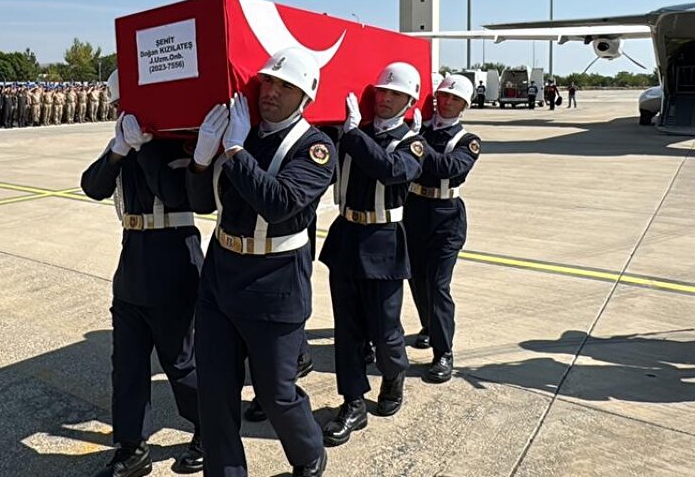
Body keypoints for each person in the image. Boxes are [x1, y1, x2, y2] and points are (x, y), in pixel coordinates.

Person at [187, 47, 334, 477]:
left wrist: (234, 150)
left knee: (276, 394)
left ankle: (309, 453)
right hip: (221, 274)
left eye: (285, 86)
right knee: (214, 391)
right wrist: (200, 161)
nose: (271, 91)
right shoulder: (242, 131)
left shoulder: (314, 146)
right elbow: (202, 204)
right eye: (268, 81)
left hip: (274, 282)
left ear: (305, 95)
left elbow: (281, 203)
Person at [81, 71, 204, 477]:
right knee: (128, 364)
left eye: (124, 105)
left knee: (180, 360)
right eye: (117, 106)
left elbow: (174, 193)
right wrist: (118, 150)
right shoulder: (125, 139)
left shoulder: (177, 139)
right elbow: (93, 187)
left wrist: (146, 146)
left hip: (173, 257)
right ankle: (131, 447)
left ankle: (208, 429)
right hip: (133, 262)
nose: (119, 112)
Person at [320, 62, 424, 447]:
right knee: (346, 330)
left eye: (394, 93)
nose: (384, 98)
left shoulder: (412, 142)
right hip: (347, 234)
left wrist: (351, 134)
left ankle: (394, 373)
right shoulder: (353, 132)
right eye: (381, 91)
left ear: (410, 100)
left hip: (383, 238)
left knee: (384, 328)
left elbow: (391, 170)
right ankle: (352, 403)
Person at [404, 75, 481, 384]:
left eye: (455, 99)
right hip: (414, 211)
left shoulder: (467, 141)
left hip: (446, 217)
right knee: (416, 279)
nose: (447, 102)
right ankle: (429, 327)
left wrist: (415, 143)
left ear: (464, 105)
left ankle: (443, 352)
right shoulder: (419, 129)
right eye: (443, 96)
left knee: (438, 285)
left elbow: (447, 168)